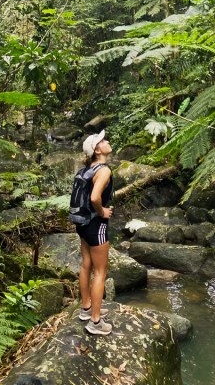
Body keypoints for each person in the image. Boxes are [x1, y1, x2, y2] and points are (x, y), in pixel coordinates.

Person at [77, 130, 114, 336]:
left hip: (82, 224)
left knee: (85, 265)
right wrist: (103, 212)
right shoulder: (104, 170)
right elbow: (94, 197)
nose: (107, 141)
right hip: (96, 224)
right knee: (100, 272)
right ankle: (95, 322)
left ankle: (85, 309)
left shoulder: (87, 169)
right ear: (98, 150)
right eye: (103, 140)